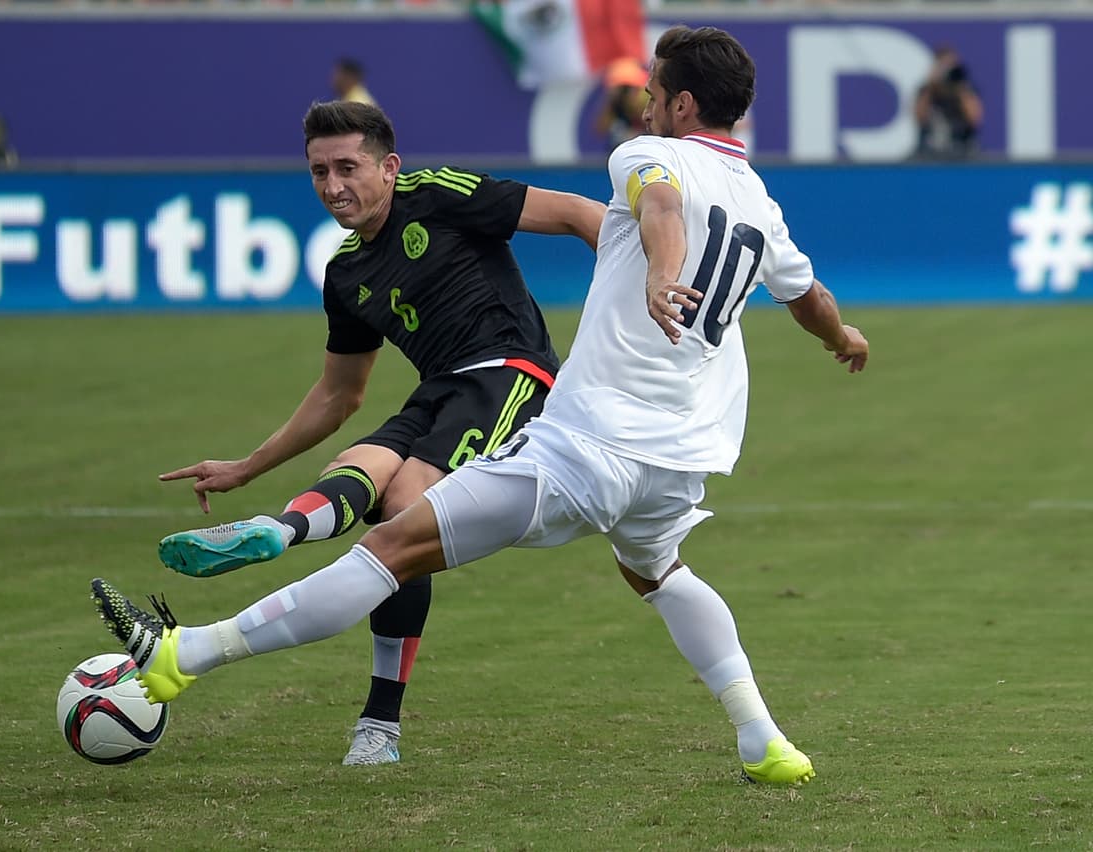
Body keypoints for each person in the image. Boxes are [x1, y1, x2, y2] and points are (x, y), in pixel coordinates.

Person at [93, 24, 869, 784]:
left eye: (653, 94)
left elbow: (659, 206)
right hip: (681, 457)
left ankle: (181, 657)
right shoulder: (758, 200)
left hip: (587, 445)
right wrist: (844, 339)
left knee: (392, 547)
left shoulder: (649, 155)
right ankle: (762, 739)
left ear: (683, 105)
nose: (642, 106)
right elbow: (811, 297)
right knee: (657, 571)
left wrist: (662, 272)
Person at [152, 100, 605, 766]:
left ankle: (379, 724)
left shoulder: (439, 194)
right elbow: (340, 395)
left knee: (400, 511)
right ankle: (278, 532)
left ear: (390, 168)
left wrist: (643, 289)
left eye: (347, 167)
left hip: (514, 374)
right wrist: (247, 466)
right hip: (440, 390)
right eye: (318, 172)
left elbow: (579, 214)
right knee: (360, 459)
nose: (333, 186)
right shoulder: (346, 274)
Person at [914, 46, 982, 160]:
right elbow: (919, 119)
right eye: (944, 66)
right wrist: (931, 87)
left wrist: (960, 90)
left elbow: (974, 120)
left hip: (963, 150)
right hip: (930, 151)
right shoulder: (927, 91)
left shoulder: (966, 90)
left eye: (952, 66)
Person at [593, 57, 650, 152]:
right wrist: (611, 103)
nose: (630, 93)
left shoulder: (647, 103)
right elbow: (600, 128)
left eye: (633, 88)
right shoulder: (614, 105)